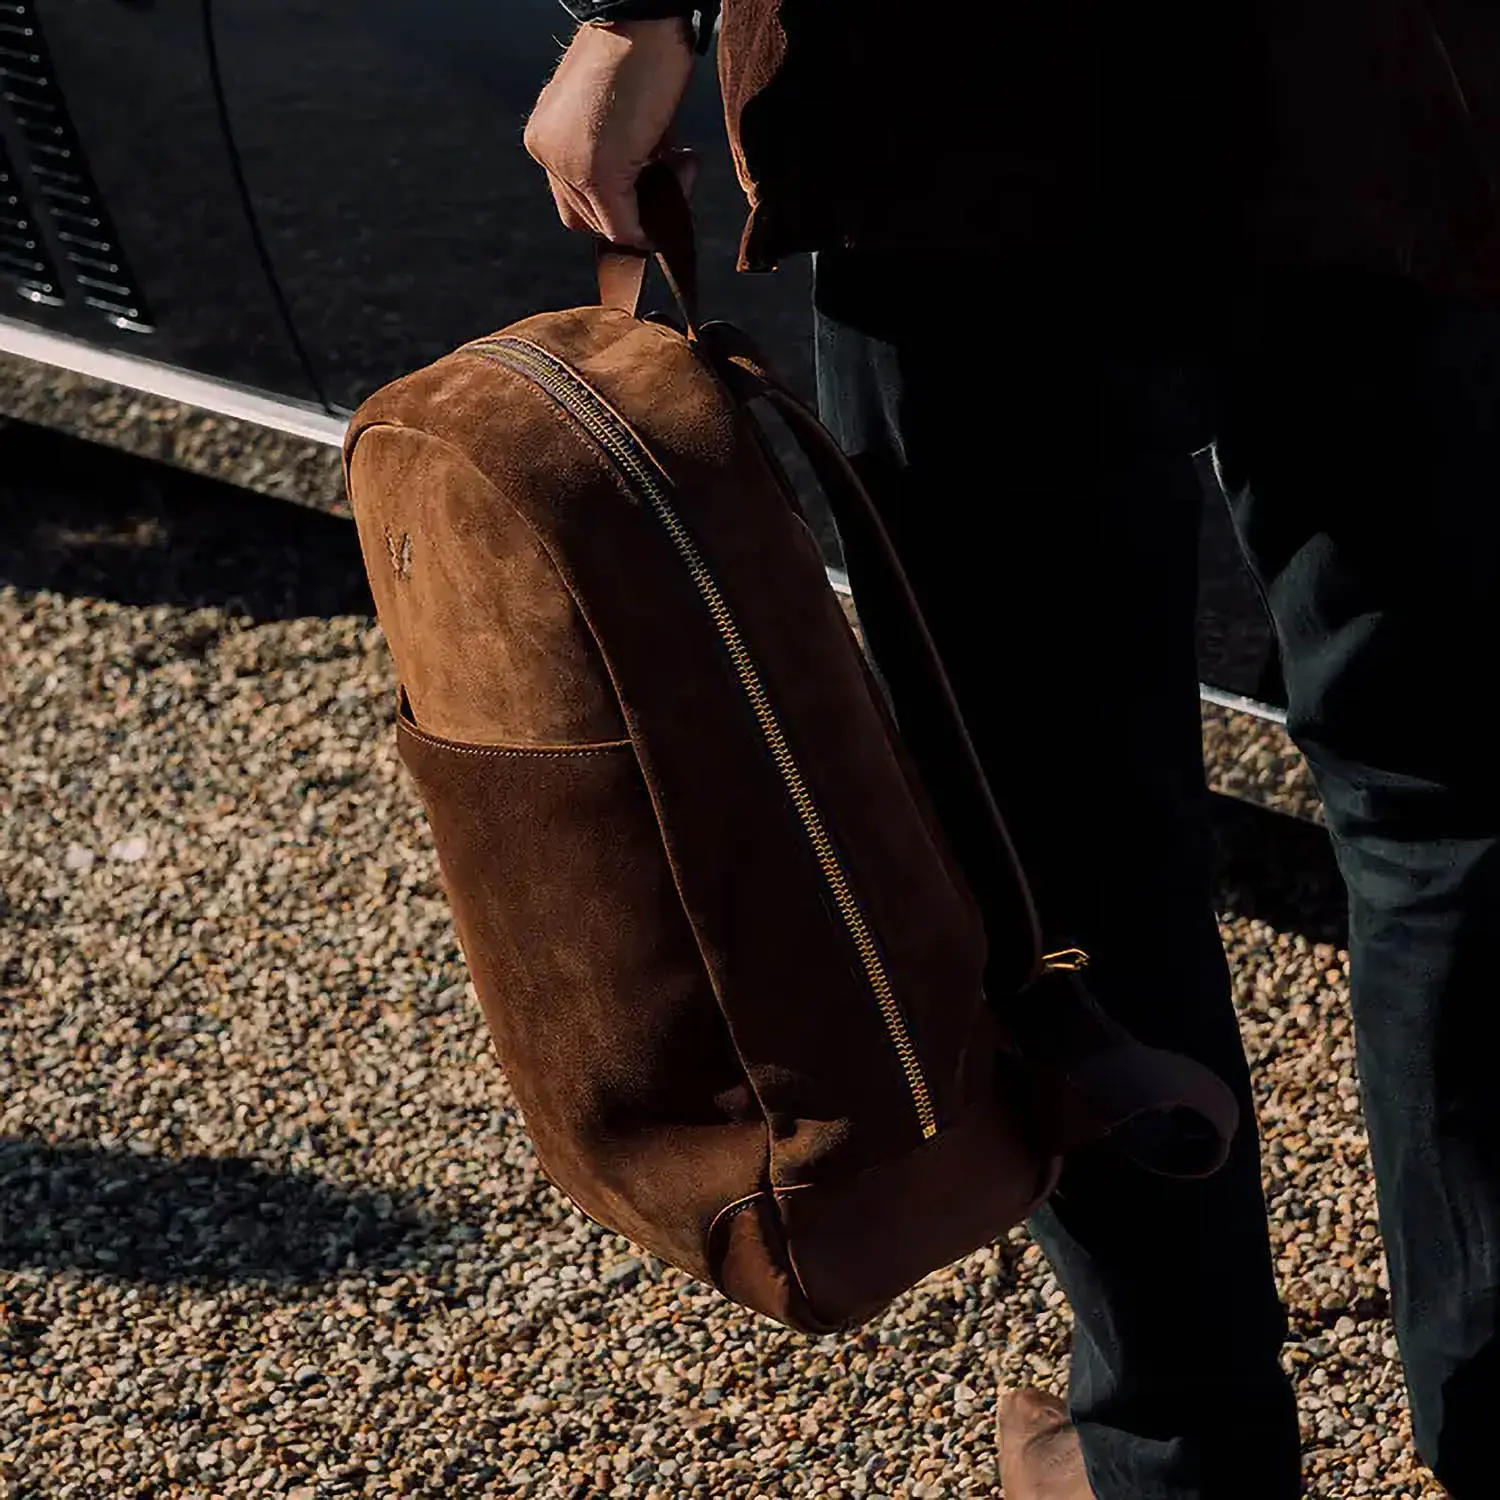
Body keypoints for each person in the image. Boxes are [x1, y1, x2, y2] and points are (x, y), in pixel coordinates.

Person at [523, 7, 1500, 1497]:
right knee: (1447, 791)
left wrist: (630, 14)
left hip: (982, 117)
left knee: (1061, 842)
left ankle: (1178, 1456)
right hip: (1384, 76)